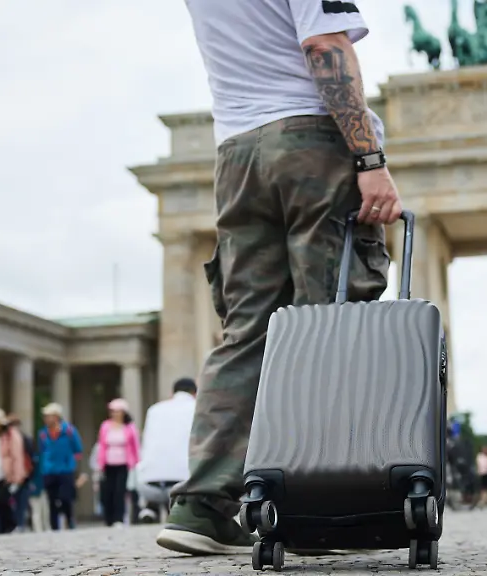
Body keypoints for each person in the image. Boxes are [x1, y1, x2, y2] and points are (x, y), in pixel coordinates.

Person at [158, 0, 402, 556]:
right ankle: (316, 504)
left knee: (246, 330)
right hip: (311, 141)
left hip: (237, 152)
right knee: (329, 322)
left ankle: (202, 505)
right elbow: (325, 47)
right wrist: (369, 160)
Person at [137, 378, 197, 523]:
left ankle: (150, 508)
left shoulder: (154, 409)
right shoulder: (197, 407)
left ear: (172, 392)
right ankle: (179, 511)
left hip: (147, 486)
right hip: (183, 485)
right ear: (195, 393)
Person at [37, 403, 84, 530]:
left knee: (66, 497)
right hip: (49, 470)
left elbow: (78, 449)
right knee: (51, 499)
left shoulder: (69, 431)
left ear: (57, 417)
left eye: (49, 416)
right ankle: (54, 526)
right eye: (45, 416)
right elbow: (42, 451)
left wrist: (72, 462)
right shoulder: (42, 433)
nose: (46, 419)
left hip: (66, 469)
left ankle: (70, 521)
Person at [96, 398, 141, 527]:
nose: (115, 414)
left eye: (118, 411)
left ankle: (119, 518)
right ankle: (108, 518)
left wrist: (137, 463)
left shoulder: (130, 427)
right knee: (107, 491)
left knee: (119, 491)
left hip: (124, 463)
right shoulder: (105, 426)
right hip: (108, 463)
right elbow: (102, 445)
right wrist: (100, 463)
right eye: (113, 411)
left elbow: (135, 446)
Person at [6, 413, 37, 532]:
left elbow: (32, 458)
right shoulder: (8, 440)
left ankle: (20, 524)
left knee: (21, 502)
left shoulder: (25, 439)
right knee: (15, 502)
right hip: (11, 476)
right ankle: (17, 524)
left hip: (23, 476)